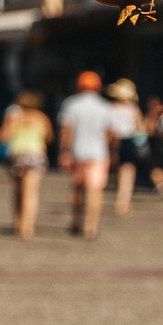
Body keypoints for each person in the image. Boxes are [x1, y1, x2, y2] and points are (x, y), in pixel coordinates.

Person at [58, 71, 117, 238]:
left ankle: (77, 221)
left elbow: (66, 129)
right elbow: (110, 133)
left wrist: (64, 150)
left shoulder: (71, 104)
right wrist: (110, 150)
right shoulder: (105, 106)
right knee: (95, 190)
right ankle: (91, 226)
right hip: (98, 154)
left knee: (77, 188)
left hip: (77, 152)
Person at [0, 91, 53, 239]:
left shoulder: (14, 118)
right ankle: (28, 226)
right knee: (32, 192)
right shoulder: (42, 118)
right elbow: (49, 137)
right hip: (36, 155)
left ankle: (18, 222)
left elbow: (3, 137)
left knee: (18, 191)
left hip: (18, 156)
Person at [107, 79, 147, 216]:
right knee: (128, 172)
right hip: (129, 141)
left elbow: (108, 128)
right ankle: (125, 202)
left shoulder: (110, 108)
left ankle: (119, 200)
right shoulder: (134, 109)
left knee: (117, 172)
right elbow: (140, 128)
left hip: (114, 140)